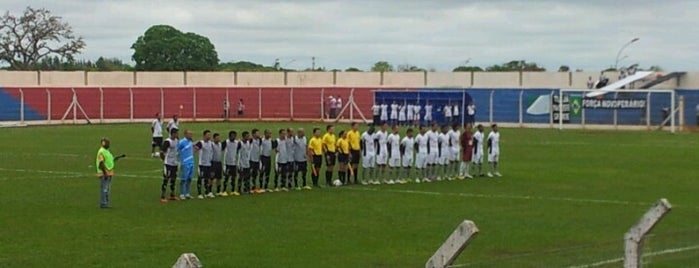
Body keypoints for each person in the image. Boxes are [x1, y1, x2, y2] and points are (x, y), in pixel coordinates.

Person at [96, 138, 121, 209]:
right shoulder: (101, 151)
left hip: (109, 173)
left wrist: (115, 159)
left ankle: (105, 203)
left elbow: (108, 161)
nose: (108, 144)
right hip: (105, 173)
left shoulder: (106, 151)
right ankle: (104, 204)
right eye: (106, 143)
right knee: (105, 189)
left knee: (107, 189)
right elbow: (101, 163)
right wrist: (105, 173)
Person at [160, 128, 179, 202]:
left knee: (173, 179)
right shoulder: (168, 142)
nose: (178, 135)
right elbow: (162, 151)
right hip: (168, 163)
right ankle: (163, 196)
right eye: (177, 133)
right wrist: (164, 159)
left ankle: (172, 195)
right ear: (173, 134)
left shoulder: (177, 141)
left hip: (174, 163)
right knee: (166, 179)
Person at [194, 130, 215, 199]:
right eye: (208, 135)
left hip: (209, 164)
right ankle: (199, 193)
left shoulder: (211, 143)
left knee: (207, 178)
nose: (209, 136)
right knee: (200, 178)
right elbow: (195, 148)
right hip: (202, 164)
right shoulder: (201, 143)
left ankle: (207, 192)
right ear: (204, 135)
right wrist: (195, 147)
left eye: (210, 134)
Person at [177, 130, 195, 199]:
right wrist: (179, 161)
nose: (191, 135)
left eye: (191, 134)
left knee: (189, 178)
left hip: (191, 162)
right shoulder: (181, 142)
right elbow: (177, 150)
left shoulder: (190, 141)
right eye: (189, 134)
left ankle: (187, 193)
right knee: (183, 179)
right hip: (184, 163)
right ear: (185, 134)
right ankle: (182, 194)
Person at [222, 131, 240, 196]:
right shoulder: (226, 142)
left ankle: (233, 190)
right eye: (232, 136)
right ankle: (224, 190)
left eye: (234, 136)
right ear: (229, 136)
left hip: (234, 163)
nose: (233, 137)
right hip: (227, 163)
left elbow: (238, 150)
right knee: (226, 177)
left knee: (233, 177)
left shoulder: (237, 143)